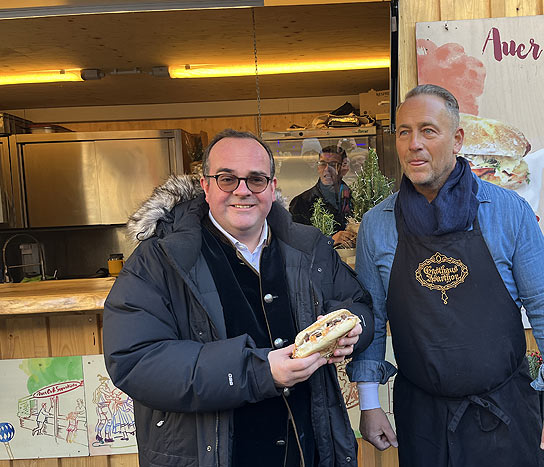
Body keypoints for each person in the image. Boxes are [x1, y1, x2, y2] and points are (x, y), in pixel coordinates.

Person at [347, 85, 544, 466]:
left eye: (428, 130)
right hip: (421, 417)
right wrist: (370, 401)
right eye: (403, 131)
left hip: (503, 410)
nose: (414, 144)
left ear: (457, 139)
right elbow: (372, 318)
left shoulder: (507, 211)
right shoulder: (377, 225)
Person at [104, 129, 374, 467]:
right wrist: (258, 371)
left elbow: (359, 304)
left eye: (256, 179)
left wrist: (351, 327)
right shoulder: (159, 260)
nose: (243, 191)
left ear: (273, 187)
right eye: (227, 179)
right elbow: (134, 360)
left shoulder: (310, 246)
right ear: (205, 186)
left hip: (306, 451)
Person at [289, 146, 356, 247]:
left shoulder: (356, 199)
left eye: (333, 164)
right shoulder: (301, 203)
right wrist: (330, 240)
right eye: (322, 164)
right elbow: (296, 241)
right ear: (318, 167)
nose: (327, 169)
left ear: (343, 167)